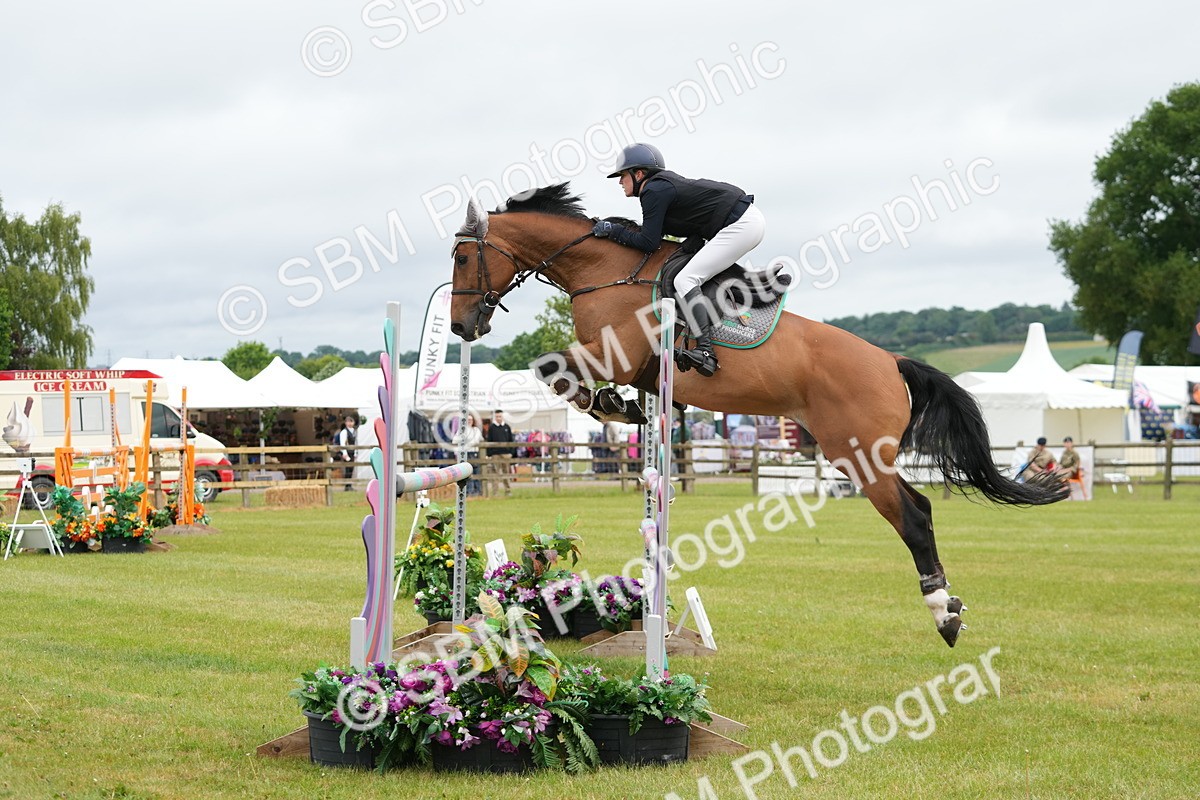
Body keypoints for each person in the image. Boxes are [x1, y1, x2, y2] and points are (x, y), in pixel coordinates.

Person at [594, 142, 765, 378]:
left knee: (685, 280)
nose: (620, 182)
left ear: (639, 174)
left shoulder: (653, 191)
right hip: (742, 221)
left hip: (741, 225)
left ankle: (705, 351)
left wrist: (612, 230)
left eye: (623, 175)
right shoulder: (659, 187)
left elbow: (649, 242)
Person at [484, 409, 515, 496]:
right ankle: (495, 492)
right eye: (497, 416)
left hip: (506, 454)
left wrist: (511, 452)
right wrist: (489, 454)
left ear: (502, 416)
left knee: (506, 473)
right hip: (495, 454)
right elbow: (489, 440)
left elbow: (511, 440)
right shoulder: (492, 428)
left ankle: (508, 491)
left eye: (500, 416)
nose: (498, 418)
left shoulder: (507, 427)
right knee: (495, 473)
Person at [454, 416, 483, 495]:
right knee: (468, 472)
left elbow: (479, 440)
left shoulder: (476, 430)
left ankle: (478, 491)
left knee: (476, 472)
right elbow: (454, 440)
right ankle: (469, 491)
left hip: (475, 453)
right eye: (468, 419)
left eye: (471, 419)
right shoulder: (461, 430)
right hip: (466, 453)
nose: (469, 421)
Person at [336, 415, 358, 490]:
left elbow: (355, 442)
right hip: (347, 452)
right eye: (348, 422)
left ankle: (349, 485)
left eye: (351, 421)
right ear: (345, 423)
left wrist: (356, 452)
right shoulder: (344, 432)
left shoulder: (354, 431)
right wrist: (344, 453)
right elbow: (343, 443)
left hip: (352, 452)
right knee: (347, 469)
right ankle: (347, 485)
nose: (350, 423)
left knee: (351, 469)